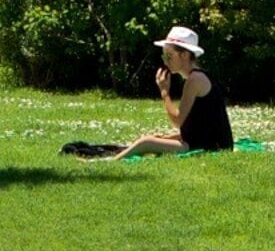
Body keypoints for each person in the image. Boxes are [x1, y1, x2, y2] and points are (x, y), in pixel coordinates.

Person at [66, 27, 234, 159]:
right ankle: (108, 153)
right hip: (206, 140)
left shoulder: (195, 80)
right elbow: (198, 125)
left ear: (184, 55)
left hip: (210, 146)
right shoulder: (197, 77)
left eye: (169, 56)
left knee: (145, 142)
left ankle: (109, 162)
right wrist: (167, 137)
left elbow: (177, 120)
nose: (165, 61)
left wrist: (164, 92)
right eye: (164, 56)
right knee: (155, 137)